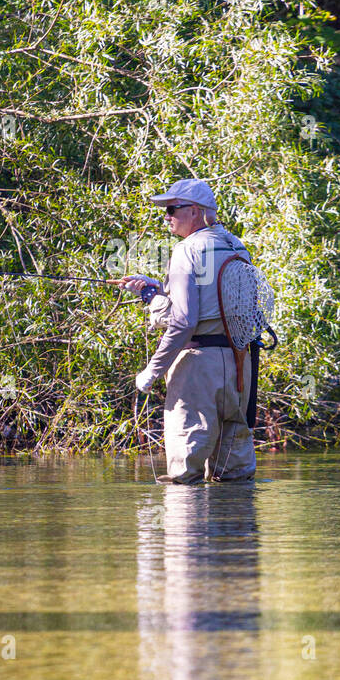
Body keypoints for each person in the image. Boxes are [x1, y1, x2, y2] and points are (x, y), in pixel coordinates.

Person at [121, 179, 257, 484]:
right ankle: (237, 529)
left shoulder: (186, 251)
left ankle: (187, 530)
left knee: (186, 475)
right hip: (238, 366)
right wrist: (156, 291)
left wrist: (152, 371)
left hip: (197, 368)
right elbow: (215, 301)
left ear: (194, 212)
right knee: (234, 473)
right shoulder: (237, 245)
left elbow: (183, 322)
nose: (165, 217)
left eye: (171, 209)